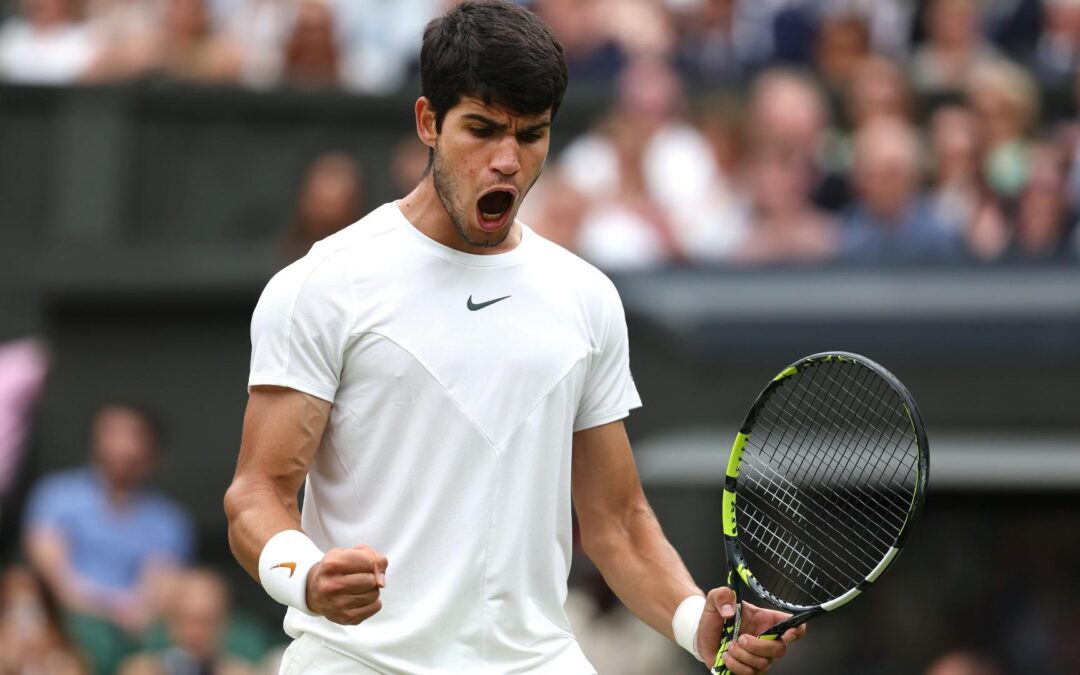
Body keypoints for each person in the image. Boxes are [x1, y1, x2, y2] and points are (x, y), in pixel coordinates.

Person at [223, 2, 805, 674]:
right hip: (358, 661)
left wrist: (689, 618)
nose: (508, 160)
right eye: (482, 129)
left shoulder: (585, 297)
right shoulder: (325, 285)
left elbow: (616, 519)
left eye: (531, 136)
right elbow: (257, 492)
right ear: (427, 123)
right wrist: (305, 573)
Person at [23, 403, 195, 674]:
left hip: (134, 628)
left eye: (133, 434)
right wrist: (107, 607)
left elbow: (157, 592)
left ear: (153, 449)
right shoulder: (56, 495)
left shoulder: (169, 521)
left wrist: (132, 613)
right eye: (112, 432)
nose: (122, 445)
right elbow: (53, 577)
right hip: (63, 618)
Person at [117, 569, 258, 675]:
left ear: (224, 625)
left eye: (206, 622)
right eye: (186, 620)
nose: (195, 632)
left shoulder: (242, 672)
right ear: (170, 622)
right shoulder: (139, 671)